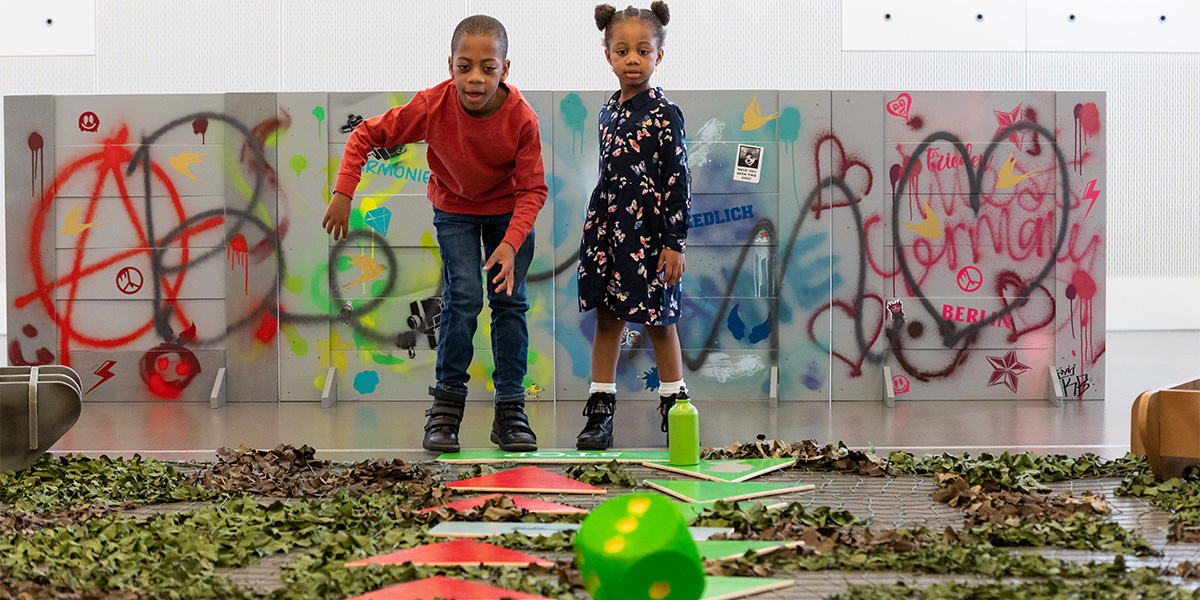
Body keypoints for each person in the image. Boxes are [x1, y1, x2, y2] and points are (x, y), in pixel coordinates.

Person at [322, 15, 547, 453]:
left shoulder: (522, 118)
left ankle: (510, 410)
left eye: (488, 67)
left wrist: (510, 243)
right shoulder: (432, 105)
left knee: (509, 303)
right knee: (464, 298)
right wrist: (343, 191)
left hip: (508, 214)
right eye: (465, 67)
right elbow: (366, 134)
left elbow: (533, 190)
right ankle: (446, 409)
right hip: (456, 210)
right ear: (450, 66)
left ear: (506, 68)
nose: (475, 78)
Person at [576, 2, 691, 450]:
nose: (632, 59)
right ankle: (600, 413)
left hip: (651, 235)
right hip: (609, 230)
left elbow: (677, 180)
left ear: (659, 55)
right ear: (608, 55)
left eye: (643, 51)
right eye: (622, 51)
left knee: (661, 321)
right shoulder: (608, 112)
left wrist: (675, 242)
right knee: (609, 319)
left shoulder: (666, 114)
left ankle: (675, 409)